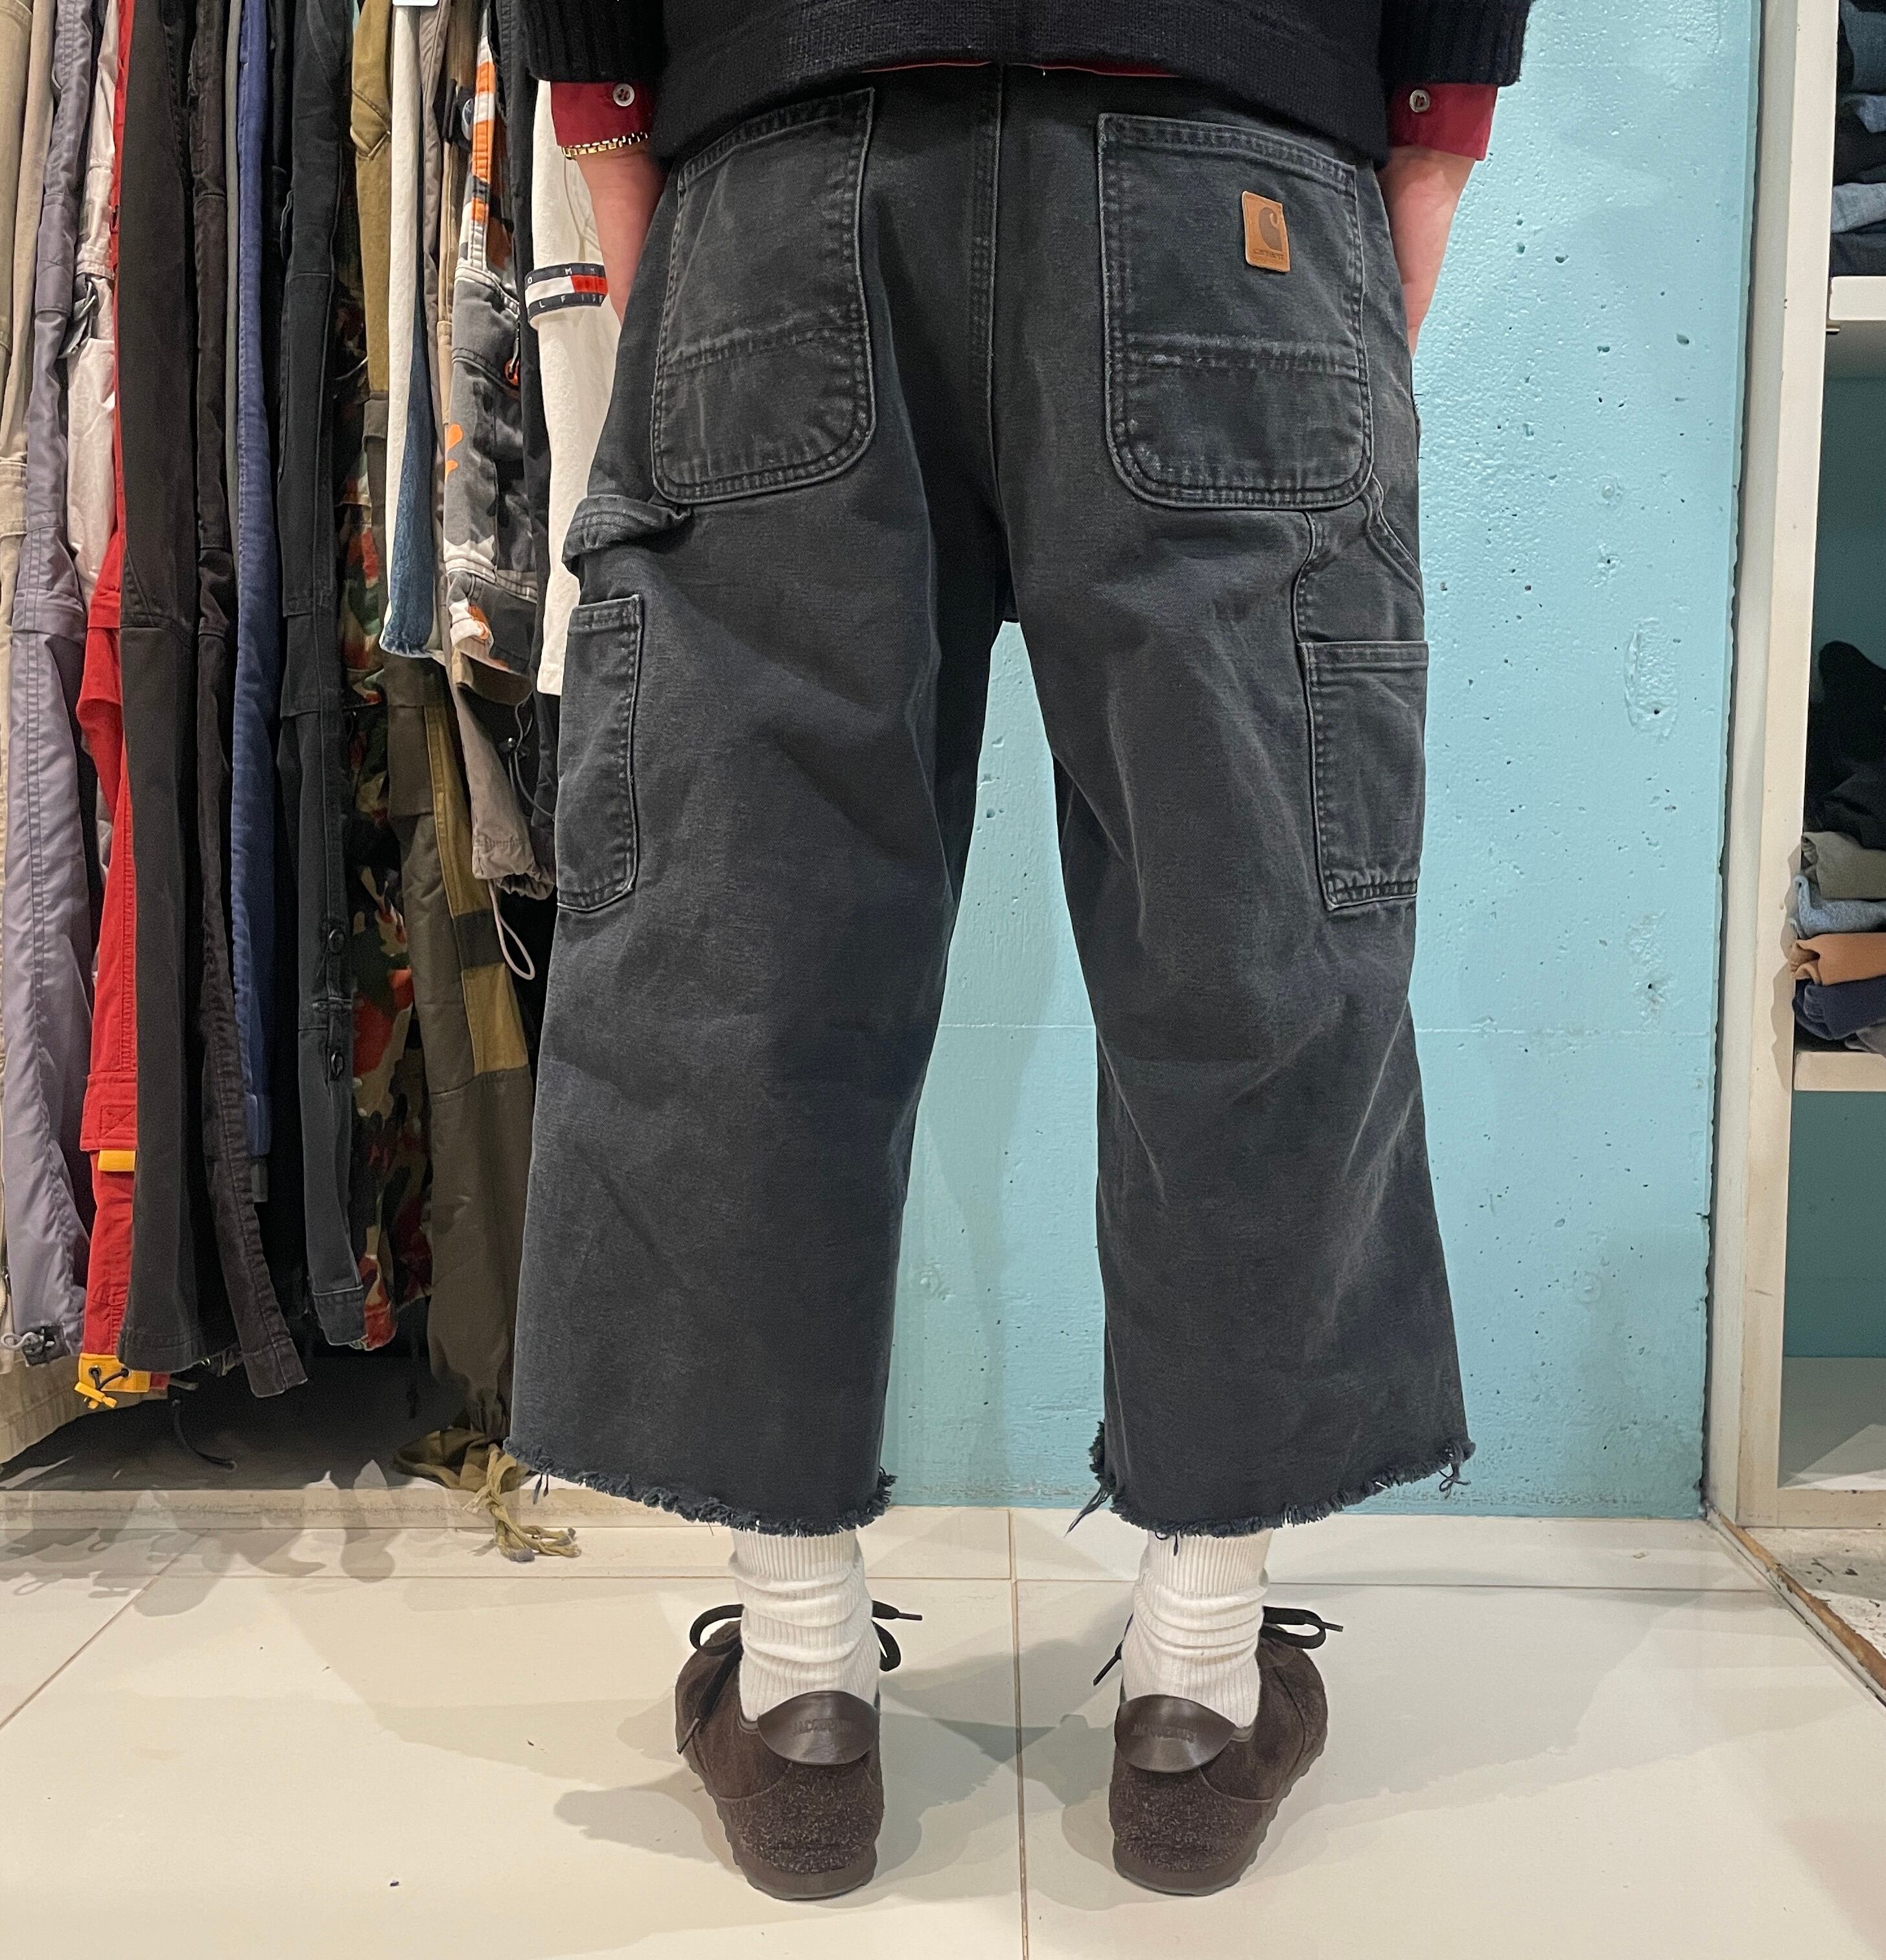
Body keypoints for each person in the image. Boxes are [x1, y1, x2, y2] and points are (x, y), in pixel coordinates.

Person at [509, 0, 1532, 1902]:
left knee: (743, 943)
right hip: (1228, 151)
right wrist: (1430, 137)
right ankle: (1202, 1693)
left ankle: (797, 1692)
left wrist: (614, 130)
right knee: (1251, 935)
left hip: (781, 161)